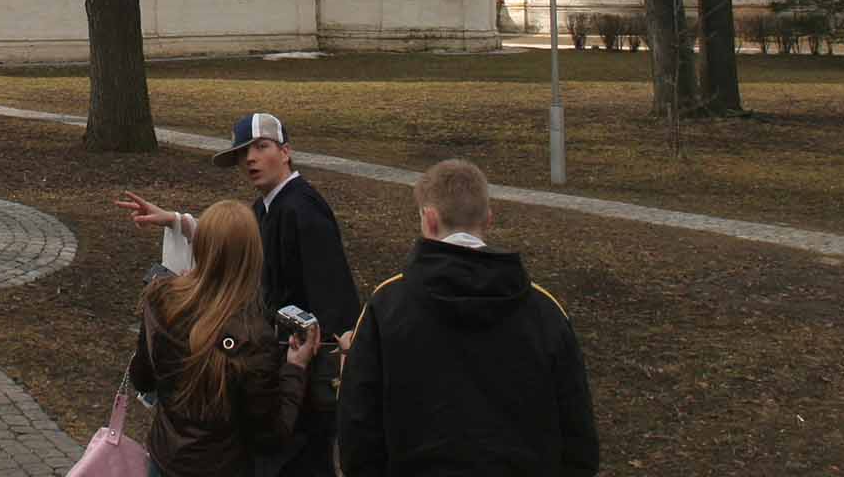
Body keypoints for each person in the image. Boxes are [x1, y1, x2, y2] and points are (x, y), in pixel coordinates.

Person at [116, 112, 359, 477]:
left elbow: (333, 293)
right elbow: (234, 246)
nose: (250, 159)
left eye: (261, 147)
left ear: (286, 152)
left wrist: (336, 353)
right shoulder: (268, 205)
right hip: (271, 382)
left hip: (302, 383)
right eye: (244, 152)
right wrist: (177, 222)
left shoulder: (301, 209)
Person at [336, 158, 600, 477]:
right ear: (488, 219)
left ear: (429, 219)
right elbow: (578, 439)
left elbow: (358, 436)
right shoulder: (545, 311)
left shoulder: (386, 307)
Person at [130, 199, 323, 477]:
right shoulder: (254, 338)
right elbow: (270, 435)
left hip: (164, 461)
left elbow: (143, 379)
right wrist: (295, 368)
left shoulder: (161, 299)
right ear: (252, 258)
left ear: (200, 246)